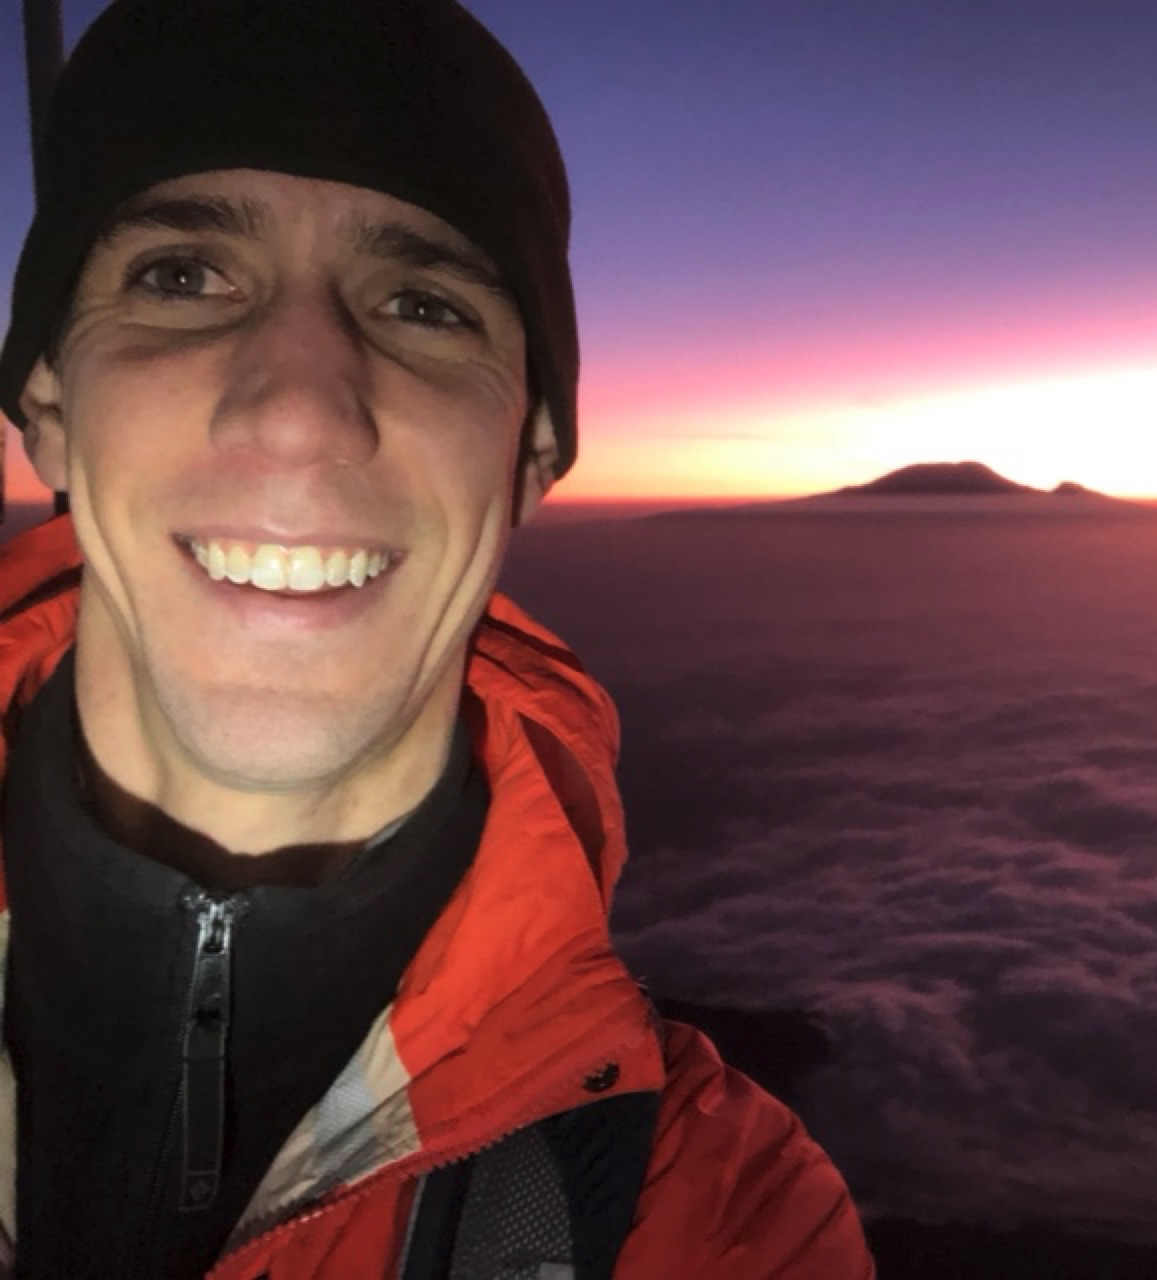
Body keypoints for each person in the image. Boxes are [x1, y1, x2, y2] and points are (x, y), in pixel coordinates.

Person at [0, 1, 876, 1276]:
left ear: (527, 457)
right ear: (49, 411)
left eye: (421, 302)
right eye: (181, 277)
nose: (300, 408)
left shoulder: (711, 1212)